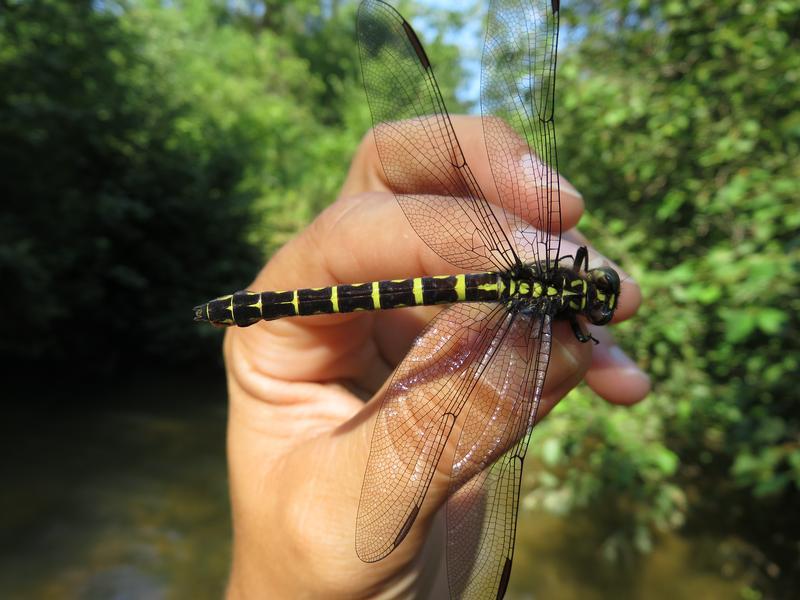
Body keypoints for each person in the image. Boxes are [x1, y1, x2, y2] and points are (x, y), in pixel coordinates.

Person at [223, 116, 651, 598]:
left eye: (599, 294)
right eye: (598, 293)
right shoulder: (564, 312)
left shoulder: (552, 278)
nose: (598, 295)